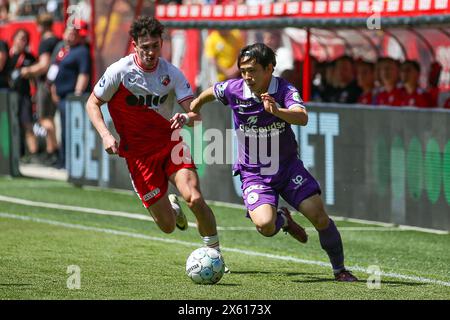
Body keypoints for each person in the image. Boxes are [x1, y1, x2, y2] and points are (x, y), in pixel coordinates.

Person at [190, 43, 358, 282]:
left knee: (319, 216)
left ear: (270, 68)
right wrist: (194, 107)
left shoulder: (285, 90)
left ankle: (339, 269)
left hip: (288, 168)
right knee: (266, 226)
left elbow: (302, 117)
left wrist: (277, 111)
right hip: (254, 172)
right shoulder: (234, 89)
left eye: (253, 70)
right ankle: (283, 219)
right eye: (243, 70)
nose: (247, 76)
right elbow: (213, 91)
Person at [85, 17, 226, 265]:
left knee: (194, 197)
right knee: (168, 227)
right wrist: (106, 135)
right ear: (134, 46)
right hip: (139, 157)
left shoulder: (172, 74)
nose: (151, 52)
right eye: (145, 47)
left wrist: (185, 117)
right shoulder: (119, 71)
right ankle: (172, 208)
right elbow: (92, 103)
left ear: (162, 44)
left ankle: (216, 255)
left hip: (171, 146)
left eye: (155, 46)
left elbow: (196, 115)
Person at [21, 13, 60, 166]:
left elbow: (44, 65)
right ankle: (52, 150)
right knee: (50, 118)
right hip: (54, 83)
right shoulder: (57, 40)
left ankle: (52, 151)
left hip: (45, 84)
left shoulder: (46, 42)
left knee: (44, 119)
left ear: (40, 26)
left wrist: (27, 71)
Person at [51, 23, 91, 169]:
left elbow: (83, 73)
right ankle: (63, 160)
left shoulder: (81, 51)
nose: (70, 36)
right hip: (61, 97)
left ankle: (73, 163)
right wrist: (54, 91)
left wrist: (77, 95)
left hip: (71, 97)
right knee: (63, 130)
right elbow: (55, 73)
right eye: (68, 33)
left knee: (72, 131)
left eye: (74, 34)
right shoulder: (63, 51)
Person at [8, 29, 38, 162]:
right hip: (9, 96)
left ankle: (33, 155)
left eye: (25, 39)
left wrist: (34, 95)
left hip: (24, 95)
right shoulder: (6, 55)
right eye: (20, 38)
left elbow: (34, 80)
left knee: (27, 125)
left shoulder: (29, 57)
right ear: (14, 39)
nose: (22, 41)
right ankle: (11, 154)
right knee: (9, 125)